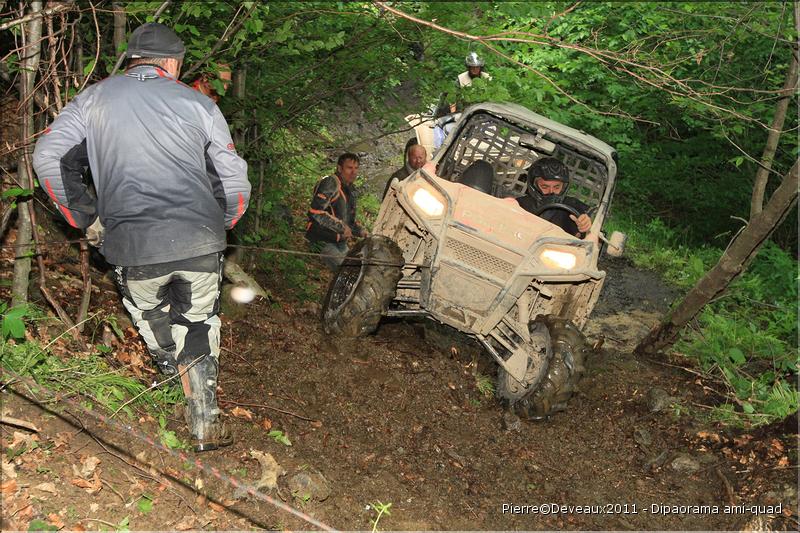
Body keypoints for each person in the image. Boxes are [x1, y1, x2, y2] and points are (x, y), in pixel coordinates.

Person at [33, 23, 251, 452]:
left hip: (131, 244)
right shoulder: (199, 104)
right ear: (172, 63)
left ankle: (174, 390)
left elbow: (48, 156)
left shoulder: (92, 99)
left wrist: (86, 218)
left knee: (154, 320)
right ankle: (203, 416)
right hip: (198, 240)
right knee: (197, 321)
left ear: (133, 59)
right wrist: (223, 222)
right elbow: (233, 179)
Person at [306, 153, 368, 270]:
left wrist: (361, 232)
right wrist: (342, 228)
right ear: (339, 168)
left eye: (356, 168)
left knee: (358, 269)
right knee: (346, 271)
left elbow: (348, 221)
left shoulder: (351, 189)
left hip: (340, 242)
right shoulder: (331, 183)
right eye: (349, 168)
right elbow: (315, 212)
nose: (353, 172)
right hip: (322, 240)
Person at [517, 157, 592, 237]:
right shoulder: (519, 204)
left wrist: (586, 223)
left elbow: (589, 218)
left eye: (557, 187)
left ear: (563, 187)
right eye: (545, 187)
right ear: (534, 185)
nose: (551, 191)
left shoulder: (573, 205)